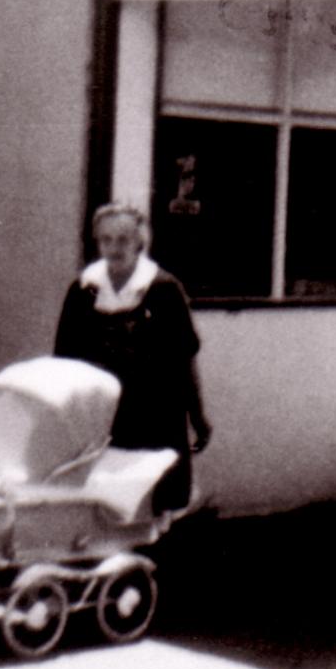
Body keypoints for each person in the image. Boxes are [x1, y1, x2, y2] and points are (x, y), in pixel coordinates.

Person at [54, 202, 211, 514]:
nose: (114, 248)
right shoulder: (83, 290)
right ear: (97, 242)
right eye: (106, 239)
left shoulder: (164, 289)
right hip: (102, 417)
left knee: (155, 501)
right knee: (104, 504)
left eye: (123, 239)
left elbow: (184, 359)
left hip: (155, 415)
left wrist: (197, 415)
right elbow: (64, 360)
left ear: (140, 242)